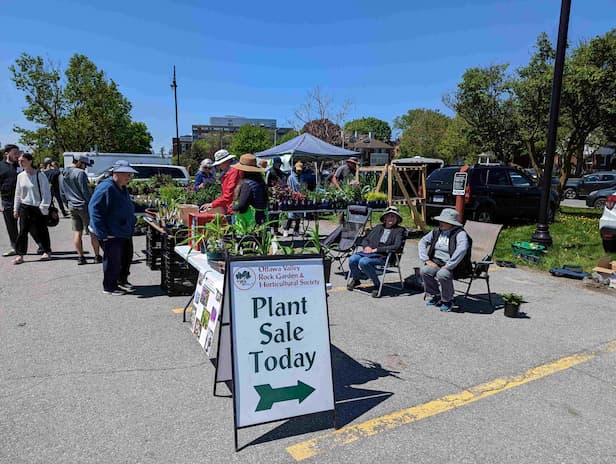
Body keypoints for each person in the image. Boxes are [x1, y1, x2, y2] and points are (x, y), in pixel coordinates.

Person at [88, 160, 137, 295]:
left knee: (125, 257)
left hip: (123, 230)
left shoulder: (122, 187)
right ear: (116, 173)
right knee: (112, 261)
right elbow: (94, 210)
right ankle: (109, 286)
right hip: (111, 232)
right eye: (126, 174)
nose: (129, 177)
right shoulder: (106, 187)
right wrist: (102, 234)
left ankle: (121, 280)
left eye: (130, 174)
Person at [418, 208, 471, 312]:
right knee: (425, 271)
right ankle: (436, 295)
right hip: (437, 261)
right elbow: (422, 242)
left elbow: (462, 249)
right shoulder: (436, 231)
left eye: (444, 221)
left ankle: (448, 300)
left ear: (452, 223)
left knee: (442, 274)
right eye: (441, 221)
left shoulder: (460, 234)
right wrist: (426, 259)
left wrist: (449, 265)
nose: (441, 223)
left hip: (454, 264)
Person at [347, 206, 406, 298]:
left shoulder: (399, 230)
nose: (391, 218)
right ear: (385, 218)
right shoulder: (378, 227)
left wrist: (377, 250)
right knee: (352, 259)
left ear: (397, 219)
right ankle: (356, 278)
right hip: (369, 253)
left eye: (394, 217)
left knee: (364, 262)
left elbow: (397, 246)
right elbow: (366, 239)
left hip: (384, 256)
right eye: (389, 216)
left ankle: (377, 284)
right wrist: (366, 247)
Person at [60, 155, 101, 265]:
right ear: (79, 162)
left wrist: (67, 204)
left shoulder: (62, 174)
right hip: (84, 206)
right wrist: (93, 204)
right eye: (85, 165)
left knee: (77, 232)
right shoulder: (80, 173)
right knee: (92, 231)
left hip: (72, 205)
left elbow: (62, 193)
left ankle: (81, 257)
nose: (85, 168)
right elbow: (85, 192)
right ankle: (97, 256)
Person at [12, 153, 52, 264]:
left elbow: (46, 193)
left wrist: (43, 207)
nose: (20, 162)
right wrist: (16, 209)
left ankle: (46, 251)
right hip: (25, 207)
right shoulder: (20, 175)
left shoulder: (40, 175)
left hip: (38, 207)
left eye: (23, 160)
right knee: (23, 231)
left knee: (41, 230)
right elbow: (18, 193)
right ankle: (20, 254)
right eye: (19, 160)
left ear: (30, 161)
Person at [230, 153, 267, 228]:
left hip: (249, 224)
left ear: (242, 171)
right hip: (261, 220)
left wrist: (233, 207)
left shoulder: (247, 184)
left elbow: (242, 207)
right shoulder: (260, 182)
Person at [199, 149, 240, 215]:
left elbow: (229, 195)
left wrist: (212, 204)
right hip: (232, 207)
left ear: (226, 161)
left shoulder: (234, 171)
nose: (219, 166)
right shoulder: (230, 170)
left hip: (235, 209)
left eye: (220, 164)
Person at [0, 144, 20, 256]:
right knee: (11, 226)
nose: (17, 155)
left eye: (18, 152)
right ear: (6, 154)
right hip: (7, 200)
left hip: (23, 199)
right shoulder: (1, 166)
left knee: (31, 224)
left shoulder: (21, 164)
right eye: (14, 152)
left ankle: (42, 247)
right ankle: (15, 247)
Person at [265, 156, 287, 235]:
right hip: (270, 196)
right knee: (271, 213)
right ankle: (269, 230)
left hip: (278, 196)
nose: (279, 165)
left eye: (280, 164)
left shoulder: (280, 172)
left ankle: (276, 230)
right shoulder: (269, 172)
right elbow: (266, 184)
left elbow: (282, 183)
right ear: (274, 163)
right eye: (278, 164)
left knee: (277, 213)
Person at [284, 161, 304, 237]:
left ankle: (296, 230)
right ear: (295, 169)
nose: (299, 171)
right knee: (291, 216)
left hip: (300, 198)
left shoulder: (301, 177)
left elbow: (303, 186)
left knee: (298, 216)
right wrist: (293, 194)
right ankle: (286, 229)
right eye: (297, 170)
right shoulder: (291, 177)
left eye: (300, 170)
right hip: (292, 198)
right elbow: (288, 187)